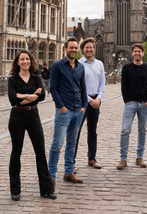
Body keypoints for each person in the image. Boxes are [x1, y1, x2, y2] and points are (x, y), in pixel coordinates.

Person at [8, 50, 56, 201]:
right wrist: (31, 96)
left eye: (27, 59)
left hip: (33, 115)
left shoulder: (36, 77)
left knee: (40, 151)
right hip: (17, 116)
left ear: (31, 61)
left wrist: (21, 96)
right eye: (22, 59)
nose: (25, 62)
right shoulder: (13, 79)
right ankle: (15, 190)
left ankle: (47, 190)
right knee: (16, 152)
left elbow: (41, 96)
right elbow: (12, 100)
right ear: (17, 62)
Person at [49, 37, 87, 184]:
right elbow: (53, 88)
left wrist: (84, 105)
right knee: (57, 144)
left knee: (72, 143)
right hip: (65, 111)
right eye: (71, 48)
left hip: (78, 110)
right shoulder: (58, 66)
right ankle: (51, 175)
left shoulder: (80, 67)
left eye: (76, 48)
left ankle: (68, 172)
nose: (74, 50)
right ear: (65, 49)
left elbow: (83, 87)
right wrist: (61, 106)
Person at [117, 43, 147, 170]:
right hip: (130, 103)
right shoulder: (127, 67)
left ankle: (140, 157)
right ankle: (123, 159)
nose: (137, 53)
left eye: (139, 51)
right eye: (135, 51)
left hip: (143, 103)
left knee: (142, 131)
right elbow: (124, 85)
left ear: (142, 53)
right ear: (132, 53)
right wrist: (126, 100)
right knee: (125, 130)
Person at [74, 38, 106, 169]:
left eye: (91, 47)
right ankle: (72, 162)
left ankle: (91, 158)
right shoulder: (78, 64)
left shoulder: (99, 64)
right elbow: (78, 86)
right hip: (82, 102)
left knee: (93, 131)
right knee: (76, 132)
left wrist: (98, 99)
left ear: (94, 49)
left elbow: (102, 84)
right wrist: (89, 100)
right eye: (86, 48)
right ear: (82, 50)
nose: (89, 50)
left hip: (96, 101)